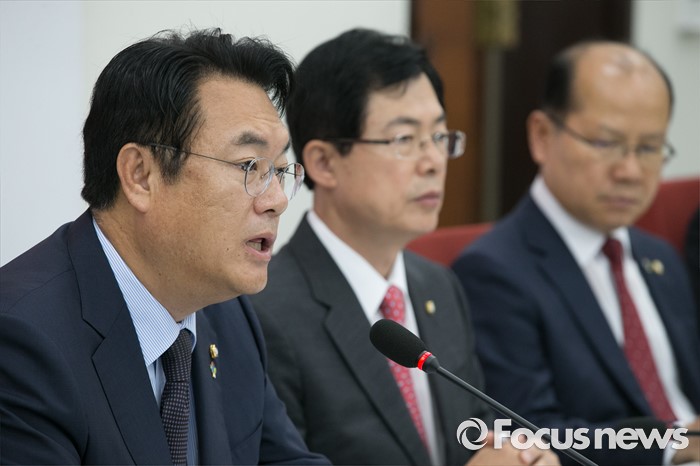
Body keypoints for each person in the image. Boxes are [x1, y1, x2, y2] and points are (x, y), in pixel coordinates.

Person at [0, 28, 329, 465]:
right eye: (249, 165)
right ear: (140, 175)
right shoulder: (22, 341)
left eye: (280, 170)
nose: (277, 200)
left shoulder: (229, 315)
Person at [250, 28, 559, 466]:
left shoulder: (439, 286)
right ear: (323, 162)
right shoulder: (266, 313)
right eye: (404, 140)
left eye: (440, 137)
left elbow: (478, 430)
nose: (433, 162)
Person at [452, 40, 700, 465]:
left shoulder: (658, 257)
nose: (630, 171)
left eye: (649, 148)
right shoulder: (493, 271)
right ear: (542, 136)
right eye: (605, 143)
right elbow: (529, 436)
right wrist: (673, 444)